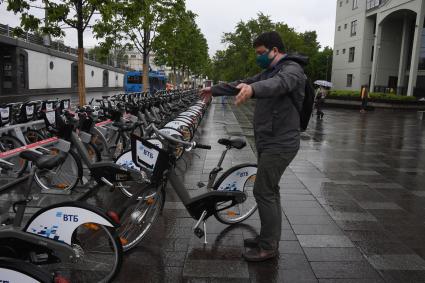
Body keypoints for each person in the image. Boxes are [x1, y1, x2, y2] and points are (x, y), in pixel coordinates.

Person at [199, 31, 306, 262]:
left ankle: (268, 246)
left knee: (263, 191)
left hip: (281, 143)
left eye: (260, 53)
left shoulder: (292, 70)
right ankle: (267, 238)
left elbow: (279, 84)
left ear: (274, 50)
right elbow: (244, 84)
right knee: (270, 191)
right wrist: (214, 90)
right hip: (270, 140)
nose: (258, 57)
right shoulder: (270, 71)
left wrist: (254, 90)